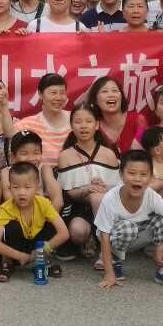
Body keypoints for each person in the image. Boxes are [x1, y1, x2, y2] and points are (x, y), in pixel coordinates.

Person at [94, 149, 163, 289]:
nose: (137, 178)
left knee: (162, 219)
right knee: (128, 228)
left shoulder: (152, 196)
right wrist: (108, 273)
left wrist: (161, 248)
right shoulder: (110, 198)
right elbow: (104, 235)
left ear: (151, 178)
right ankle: (115, 262)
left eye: (143, 174)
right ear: (121, 175)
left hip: (140, 233)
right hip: (116, 238)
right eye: (132, 173)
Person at [55, 103, 121, 258]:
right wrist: (86, 189)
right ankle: (91, 238)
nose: (83, 126)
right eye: (78, 122)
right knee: (77, 232)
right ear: (71, 126)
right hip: (79, 208)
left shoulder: (109, 154)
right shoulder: (65, 156)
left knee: (97, 196)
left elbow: (117, 189)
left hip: (107, 208)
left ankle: (105, 252)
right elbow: (68, 193)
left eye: (89, 121)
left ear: (97, 125)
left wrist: (103, 188)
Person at [0, 161, 68, 282]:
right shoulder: (6, 208)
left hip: (37, 246)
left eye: (27, 187)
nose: (21, 192)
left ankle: (42, 260)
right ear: (9, 188)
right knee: (12, 227)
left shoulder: (43, 203)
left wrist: (42, 250)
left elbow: (64, 233)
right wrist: (20, 256)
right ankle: (7, 262)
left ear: (37, 187)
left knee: (51, 224)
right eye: (16, 187)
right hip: (15, 247)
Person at [0, 130, 64, 211]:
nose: (31, 158)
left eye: (36, 153)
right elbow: (9, 199)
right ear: (12, 157)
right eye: (24, 153)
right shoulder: (7, 172)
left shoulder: (44, 170)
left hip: (43, 214)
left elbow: (58, 200)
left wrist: (46, 216)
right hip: (15, 215)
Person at [20, 72, 74, 165]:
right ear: (40, 94)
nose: (58, 98)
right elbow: (10, 136)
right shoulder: (27, 125)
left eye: (62, 93)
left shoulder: (76, 120)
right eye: (53, 93)